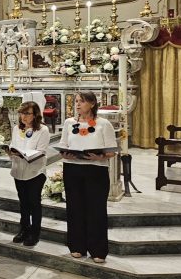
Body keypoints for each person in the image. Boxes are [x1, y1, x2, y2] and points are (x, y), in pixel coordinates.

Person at [58, 92, 117, 264]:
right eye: (76, 101)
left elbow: (111, 151)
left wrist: (100, 157)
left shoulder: (103, 124)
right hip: (72, 169)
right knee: (74, 208)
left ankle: (98, 250)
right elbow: (63, 145)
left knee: (96, 210)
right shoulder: (69, 123)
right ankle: (77, 246)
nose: (77, 104)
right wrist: (65, 153)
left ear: (92, 104)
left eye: (81, 101)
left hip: (95, 171)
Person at [9, 101, 50, 247]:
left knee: (34, 203)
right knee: (23, 202)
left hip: (35, 172)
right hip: (18, 171)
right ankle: (23, 229)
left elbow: (42, 151)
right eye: (22, 113)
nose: (23, 117)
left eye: (27, 113)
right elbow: (12, 145)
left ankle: (35, 232)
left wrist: (25, 155)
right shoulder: (16, 129)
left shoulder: (43, 130)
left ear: (35, 115)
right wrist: (11, 152)